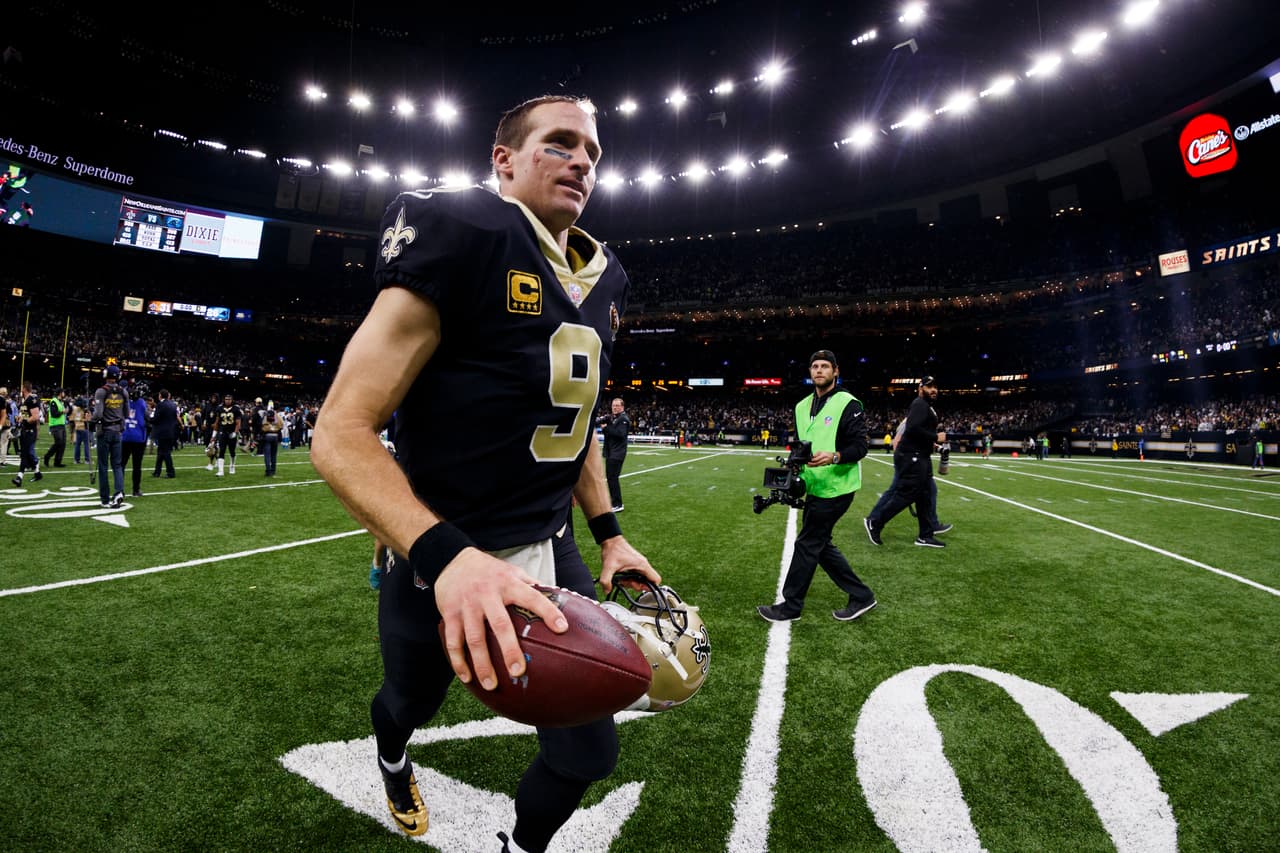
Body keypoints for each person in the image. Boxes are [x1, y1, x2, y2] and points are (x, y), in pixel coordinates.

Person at [310, 95, 661, 852]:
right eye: (559, 143)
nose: (581, 161)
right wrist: (448, 558)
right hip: (439, 549)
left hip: (547, 545)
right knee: (410, 699)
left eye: (592, 153)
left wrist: (609, 533)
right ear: (502, 159)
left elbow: (570, 422)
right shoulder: (460, 229)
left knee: (588, 752)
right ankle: (393, 758)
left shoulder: (606, 279)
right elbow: (338, 431)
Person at [756, 349, 875, 624]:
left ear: (836, 371)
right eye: (815, 366)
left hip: (837, 487)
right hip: (814, 485)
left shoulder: (848, 403)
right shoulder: (801, 406)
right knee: (819, 544)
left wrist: (835, 456)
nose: (819, 370)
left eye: (825, 366)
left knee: (808, 543)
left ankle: (791, 606)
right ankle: (862, 595)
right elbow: (802, 447)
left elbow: (861, 447)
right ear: (810, 372)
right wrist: (793, 468)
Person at [864, 376, 947, 548]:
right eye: (929, 387)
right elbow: (913, 428)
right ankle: (875, 523)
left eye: (935, 387)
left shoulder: (925, 406)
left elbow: (917, 430)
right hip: (912, 456)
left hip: (920, 455)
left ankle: (925, 535)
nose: (933, 390)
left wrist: (934, 445)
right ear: (920, 388)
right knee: (906, 494)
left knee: (925, 495)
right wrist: (935, 437)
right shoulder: (920, 404)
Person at [91, 365, 129, 508]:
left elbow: (98, 414)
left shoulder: (101, 391)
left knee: (103, 465)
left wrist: (90, 419)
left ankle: (105, 498)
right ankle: (119, 492)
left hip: (105, 431)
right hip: (118, 431)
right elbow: (126, 413)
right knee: (117, 465)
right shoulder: (123, 392)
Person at [599, 396, 629, 511]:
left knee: (612, 478)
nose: (615, 407)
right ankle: (615, 503)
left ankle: (617, 504)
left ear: (622, 407)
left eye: (617, 405)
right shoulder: (614, 418)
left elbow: (620, 434)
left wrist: (606, 428)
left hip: (617, 453)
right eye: (613, 405)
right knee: (611, 478)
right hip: (611, 452)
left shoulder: (623, 419)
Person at [12, 381, 43, 487]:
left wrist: (25, 420)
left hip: (30, 431)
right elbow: (26, 416)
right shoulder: (25, 400)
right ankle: (37, 473)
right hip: (25, 430)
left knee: (25, 454)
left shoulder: (32, 399)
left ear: (24, 388)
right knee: (27, 454)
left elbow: (35, 417)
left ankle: (19, 477)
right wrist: (20, 418)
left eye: (22, 387)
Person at [121, 388, 149, 497]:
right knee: (137, 466)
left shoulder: (124, 403)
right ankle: (136, 490)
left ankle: (120, 490)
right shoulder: (142, 403)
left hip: (125, 436)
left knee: (121, 465)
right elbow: (148, 418)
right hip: (138, 438)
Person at [151, 389, 179, 478]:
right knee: (161, 452)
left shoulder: (160, 405)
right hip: (171, 431)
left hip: (162, 432)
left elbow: (156, 418)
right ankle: (157, 471)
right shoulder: (173, 405)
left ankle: (170, 472)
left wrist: (148, 418)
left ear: (160, 395)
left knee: (165, 452)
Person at [213, 393, 241, 476]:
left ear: (232, 400)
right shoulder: (219, 408)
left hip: (231, 432)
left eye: (229, 399)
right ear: (224, 400)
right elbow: (217, 422)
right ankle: (220, 471)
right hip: (222, 432)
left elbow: (238, 423)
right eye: (226, 399)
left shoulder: (236, 409)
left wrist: (235, 432)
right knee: (221, 450)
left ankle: (232, 465)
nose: (228, 401)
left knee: (232, 451)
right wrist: (214, 435)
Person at [42, 387, 69, 468]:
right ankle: (47, 457)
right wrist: (62, 412)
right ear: (60, 393)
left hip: (61, 425)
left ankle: (57, 462)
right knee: (58, 443)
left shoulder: (61, 402)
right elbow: (54, 414)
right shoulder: (54, 401)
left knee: (62, 444)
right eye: (63, 392)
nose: (64, 393)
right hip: (55, 425)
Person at [259, 406, 282, 476]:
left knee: (267, 455)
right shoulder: (277, 418)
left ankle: (268, 471)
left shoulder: (265, 418)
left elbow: (261, 426)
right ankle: (273, 470)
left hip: (267, 436)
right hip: (275, 436)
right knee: (273, 455)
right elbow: (281, 425)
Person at [0, 386, 9, 468]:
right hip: (5, 423)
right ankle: (2, 461)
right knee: (4, 443)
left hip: (3, 423)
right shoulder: (7, 402)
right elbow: (8, 413)